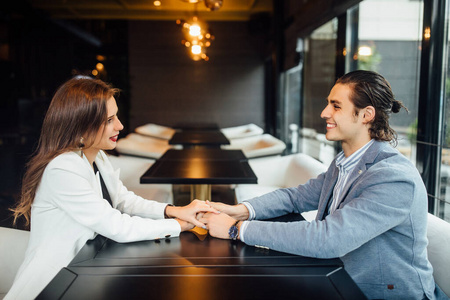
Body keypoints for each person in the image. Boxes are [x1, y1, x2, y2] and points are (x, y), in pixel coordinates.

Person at [200, 70, 448, 300]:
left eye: (336, 106)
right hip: (337, 276)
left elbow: (329, 239)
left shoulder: (393, 176)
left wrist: (236, 229)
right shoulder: (344, 163)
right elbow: (295, 197)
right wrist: (240, 210)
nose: (324, 113)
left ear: (366, 115)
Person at [6, 76, 218, 300]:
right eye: (108, 120)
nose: (120, 125)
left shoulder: (97, 156)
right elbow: (117, 226)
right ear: (80, 126)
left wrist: (173, 210)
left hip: (89, 267)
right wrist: (180, 225)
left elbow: (123, 200)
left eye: (115, 116)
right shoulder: (62, 168)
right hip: (56, 282)